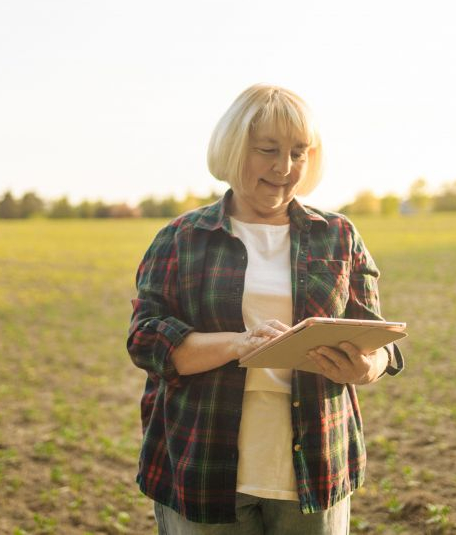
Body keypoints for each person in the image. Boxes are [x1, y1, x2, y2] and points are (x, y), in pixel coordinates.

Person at [127, 84, 404, 534]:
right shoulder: (181, 237)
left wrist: (366, 366)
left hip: (315, 468)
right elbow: (146, 340)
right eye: (268, 150)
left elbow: (377, 339)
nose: (285, 168)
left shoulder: (338, 235)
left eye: (298, 153)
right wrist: (239, 344)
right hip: (201, 466)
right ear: (235, 149)